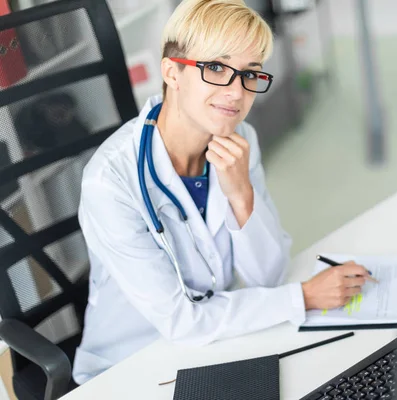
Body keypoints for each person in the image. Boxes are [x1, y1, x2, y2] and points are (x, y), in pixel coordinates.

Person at [72, 0, 372, 384]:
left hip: (218, 346)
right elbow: (183, 322)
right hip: (129, 369)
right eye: (216, 67)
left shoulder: (239, 138)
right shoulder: (110, 182)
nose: (236, 92)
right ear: (173, 72)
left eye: (250, 74)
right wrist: (305, 297)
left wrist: (241, 194)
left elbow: (269, 275)